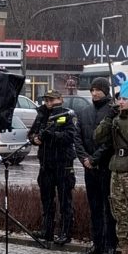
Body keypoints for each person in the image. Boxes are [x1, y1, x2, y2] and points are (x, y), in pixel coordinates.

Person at [73, 77, 118, 254]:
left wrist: (95, 158)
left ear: (106, 90)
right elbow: (77, 138)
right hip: (89, 168)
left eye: (98, 89)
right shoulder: (84, 112)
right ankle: (97, 244)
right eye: (92, 90)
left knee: (108, 207)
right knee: (95, 207)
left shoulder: (112, 111)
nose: (94, 93)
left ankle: (110, 245)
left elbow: (109, 141)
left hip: (106, 166)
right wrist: (85, 159)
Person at [28, 89, 78, 245]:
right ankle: (47, 231)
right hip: (46, 163)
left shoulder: (67, 114)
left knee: (65, 200)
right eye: (47, 99)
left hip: (63, 163)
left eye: (52, 99)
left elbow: (71, 136)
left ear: (60, 99)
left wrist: (52, 136)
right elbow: (31, 133)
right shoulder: (42, 114)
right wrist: (34, 139)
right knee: (47, 199)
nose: (49, 102)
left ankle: (65, 232)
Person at [95, 81, 128, 254]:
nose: (121, 102)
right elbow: (98, 137)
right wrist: (109, 118)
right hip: (117, 167)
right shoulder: (115, 118)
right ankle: (125, 250)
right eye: (120, 98)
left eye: (125, 99)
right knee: (119, 211)